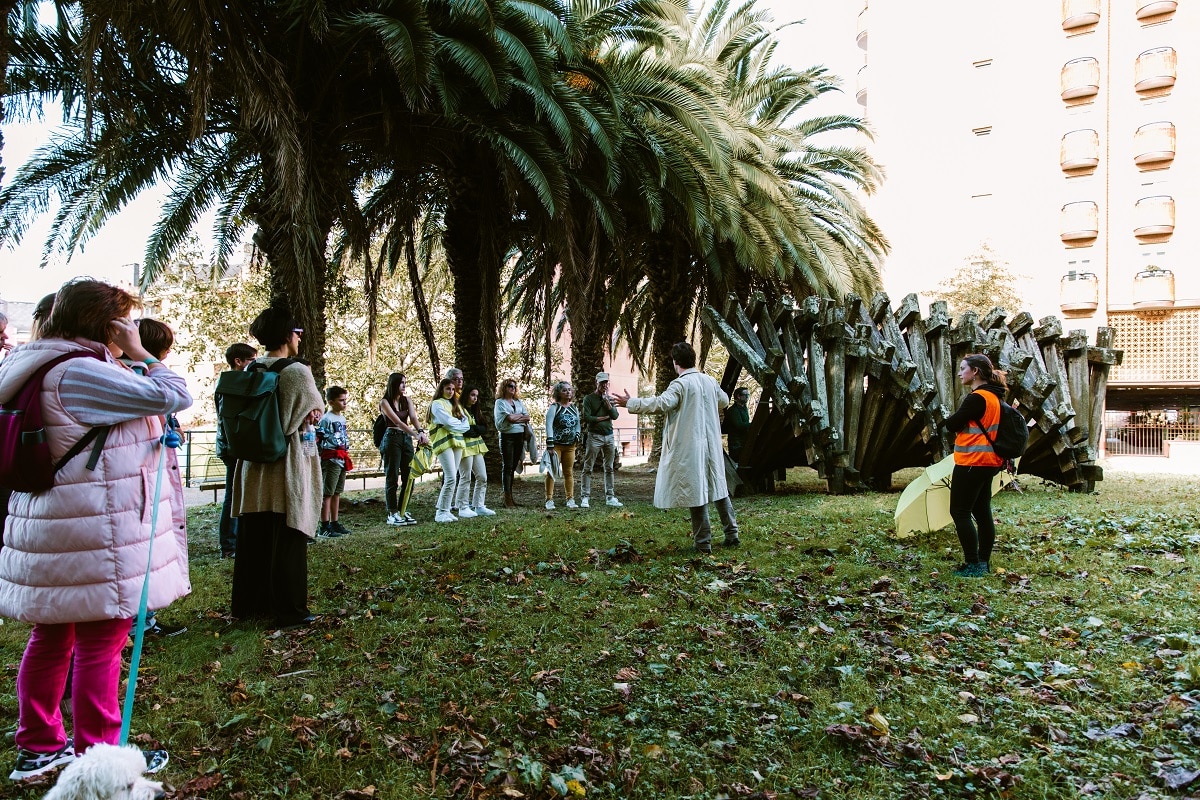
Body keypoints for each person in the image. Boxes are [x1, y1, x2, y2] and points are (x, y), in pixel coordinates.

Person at [0, 279, 191, 779]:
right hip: (92, 528)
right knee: (102, 641)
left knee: (53, 634)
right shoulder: (78, 371)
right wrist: (140, 351)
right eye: (122, 319)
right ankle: (98, 755)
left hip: (55, 522)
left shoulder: (34, 362)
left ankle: (39, 744)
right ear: (106, 322)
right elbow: (173, 394)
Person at [230, 303, 323, 629]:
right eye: (297, 331)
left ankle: (250, 605)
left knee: (255, 539)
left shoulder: (251, 369)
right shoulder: (297, 371)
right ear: (287, 334)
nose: (300, 337)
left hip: (253, 466)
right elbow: (314, 410)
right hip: (285, 463)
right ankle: (290, 610)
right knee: (288, 538)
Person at [615, 341, 739, 553]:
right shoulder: (709, 381)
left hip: (691, 446)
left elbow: (661, 403)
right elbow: (724, 401)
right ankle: (732, 533)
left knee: (696, 491)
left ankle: (703, 543)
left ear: (675, 362)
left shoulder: (680, 385)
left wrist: (630, 403)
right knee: (718, 488)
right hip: (711, 445)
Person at [939, 353, 1007, 578]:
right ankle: (983, 562)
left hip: (972, 461)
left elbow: (952, 424)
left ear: (975, 371)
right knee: (982, 510)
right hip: (989, 462)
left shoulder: (977, 398)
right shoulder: (994, 397)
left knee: (960, 511)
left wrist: (950, 420)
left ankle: (972, 564)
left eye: (963, 369)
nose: (960, 374)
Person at [215, 343, 258, 557]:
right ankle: (229, 545)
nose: (255, 365)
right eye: (251, 361)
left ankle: (237, 541)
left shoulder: (235, 383)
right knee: (232, 495)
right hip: (232, 448)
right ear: (238, 361)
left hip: (235, 447)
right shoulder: (230, 384)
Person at [378, 373, 427, 527]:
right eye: (401, 383)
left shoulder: (407, 400)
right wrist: (415, 435)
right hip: (392, 438)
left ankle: (402, 510)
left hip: (405, 439)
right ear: (394, 384)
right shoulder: (385, 402)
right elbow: (397, 422)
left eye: (405, 382)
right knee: (392, 476)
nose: (404, 386)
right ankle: (392, 512)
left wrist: (420, 431)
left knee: (409, 475)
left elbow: (413, 418)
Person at [428, 378, 469, 523]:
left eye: (452, 389)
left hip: (457, 442)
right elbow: (447, 422)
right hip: (443, 442)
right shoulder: (436, 404)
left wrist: (455, 425)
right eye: (448, 389)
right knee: (450, 477)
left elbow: (466, 424)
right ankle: (440, 512)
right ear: (441, 389)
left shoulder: (455, 405)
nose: (451, 392)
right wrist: (457, 424)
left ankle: (445, 510)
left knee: (453, 477)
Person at [580, 371, 622, 509]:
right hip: (594, 436)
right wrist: (605, 417)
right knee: (588, 467)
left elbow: (615, 416)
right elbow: (587, 418)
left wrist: (607, 403)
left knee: (609, 468)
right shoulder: (589, 399)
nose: (604, 385)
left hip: (609, 436)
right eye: (602, 382)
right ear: (596, 383)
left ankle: (610, 496)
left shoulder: (609, 399)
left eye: (606, 382)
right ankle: (585, 497)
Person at [316, 386, 353, 538]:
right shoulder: (326, 419)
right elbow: (321, 439)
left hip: (342, 458)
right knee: (328, 492)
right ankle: (324, 525)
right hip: (331, 458)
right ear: (331, 402)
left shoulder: (342, 418)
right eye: (341, 400)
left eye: (345, 400)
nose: (344, 403)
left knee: (337, 491)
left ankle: (334, 522)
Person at [456, 387, 496, 517]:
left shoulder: (476, 410)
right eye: (472, 395)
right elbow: (464, 429)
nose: (475, 398)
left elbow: (484, 427)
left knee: (482, 477)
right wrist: (474, 429)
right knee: (465, 477)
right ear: (466, 395)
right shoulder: (459, 409)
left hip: (477, 447)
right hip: (465, 448)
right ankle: (462, 507)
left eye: (476, 396)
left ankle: (479, 505)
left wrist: (475, 429)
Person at [494, 378, 531, 508]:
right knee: (508, 466)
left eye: (514, 386)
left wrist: (515, 417)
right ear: (504, 388)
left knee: (514, 465)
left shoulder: (518, 402)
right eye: (510, 386)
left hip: (519, 435)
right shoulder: (500, 402)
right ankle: (507, 497)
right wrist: (518, 417)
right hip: (507, 436)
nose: (513, 388)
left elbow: (527, 417)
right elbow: (509, 418)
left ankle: (510, 497)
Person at [544, 381, 581, 510]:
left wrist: (577, 435)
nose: (568, 392)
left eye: (569, 390)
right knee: (552, 472)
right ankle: (549, 499)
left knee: (568, 472)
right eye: (564, 390)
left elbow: (577, 423)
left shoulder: (574, 408)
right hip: (556, 446)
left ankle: (570, 498)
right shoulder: (554, 407)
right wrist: (550, 444)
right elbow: (549, 425)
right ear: (558, 393)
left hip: (570, 446)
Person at [723, 387, 751, 464]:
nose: (747, 397)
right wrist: (753, 424)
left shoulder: (744, 408)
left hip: (743, 442)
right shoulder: (733, 410)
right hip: (736, 445)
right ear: (738, 396)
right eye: (745, 395)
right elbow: (739, 425)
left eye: (748, 395)